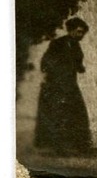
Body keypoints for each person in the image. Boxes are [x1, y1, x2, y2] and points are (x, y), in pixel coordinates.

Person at [34, 17, 93, 156]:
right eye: (79, 32)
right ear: (71, 30)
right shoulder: (57, 44)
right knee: (58, 115)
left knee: (77, 114)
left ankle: (78, 146)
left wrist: (80, 67)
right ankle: (57, 148)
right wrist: (57, 73)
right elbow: (46, 62)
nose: (81, 35)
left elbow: (77, 62)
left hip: (70, 85)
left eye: (83, 33)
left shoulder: (75, 45)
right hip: (56, 85)